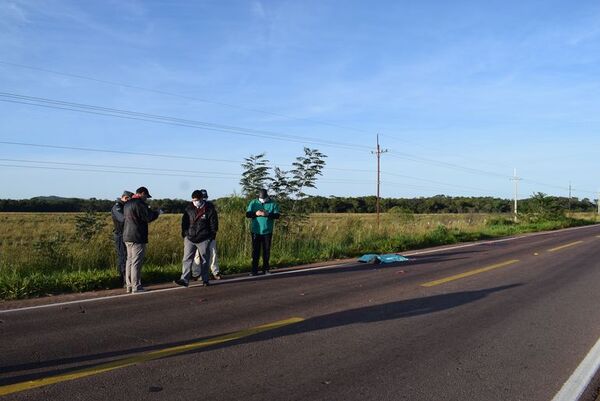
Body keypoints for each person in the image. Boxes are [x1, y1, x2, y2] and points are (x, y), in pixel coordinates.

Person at [175, 189, 219, 287]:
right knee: (187, 259)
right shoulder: (189, 208)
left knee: (204, 259)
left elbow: (214, 225)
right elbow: (184, 223)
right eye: (194, 200)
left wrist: (210, 237)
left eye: (197, 200)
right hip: (190, 238)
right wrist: (185, 234)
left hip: (204, 238)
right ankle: (184, 279)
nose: (195, 202)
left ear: (202, 199)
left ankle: (205, 279)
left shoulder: (209, 209)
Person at [123, 186, 161, 293]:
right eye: (146, 196)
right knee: (136, 262)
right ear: (142, 193)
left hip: (127, 235)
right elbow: (148, 217)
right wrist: (157, 213)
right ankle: (136, 286)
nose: (146, 198)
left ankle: (129, 285)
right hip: (137, 236)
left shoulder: (127, 203)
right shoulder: (139, 204)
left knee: (129, 261)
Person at [246, 188, 280, 275]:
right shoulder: (253, 203)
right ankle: (254, 270)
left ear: (267, 196)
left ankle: (266, 269)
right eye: (261, 199)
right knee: (255, 251)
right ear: (258, 197)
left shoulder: (273, 203)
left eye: (264, 199)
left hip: (267, 231)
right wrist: (255, 214)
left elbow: (277, 215)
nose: (263, 201)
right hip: (256, 231)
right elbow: (248, 214)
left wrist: (268, 214)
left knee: (266, 250)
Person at [191, 189, 221, 280]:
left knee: (213, 254)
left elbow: (214, 222)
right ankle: (196, 274)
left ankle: (215, 272)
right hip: (197, 237)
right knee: (197, 255)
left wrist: (213, 233)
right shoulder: (193, 208)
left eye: (204, 198)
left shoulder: (210, 207)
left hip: (209, 235)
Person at [111, 190, 133, 286]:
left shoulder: (123, 206)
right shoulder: (117, 207)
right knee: (123, 257)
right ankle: (123, 279)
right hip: (120, 234)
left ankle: (128, 278)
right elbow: (122, 219)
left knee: (127, 257)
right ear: (125, 197)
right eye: (129, 199)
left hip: (125, 234)